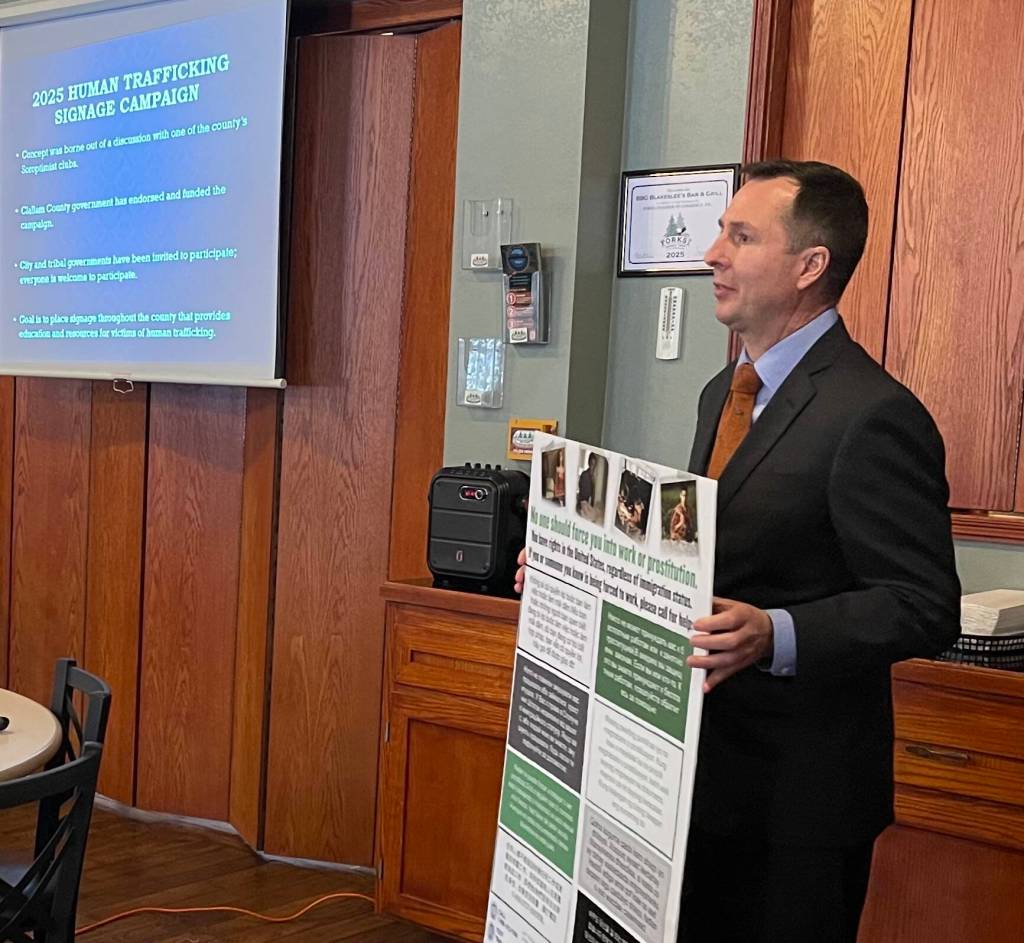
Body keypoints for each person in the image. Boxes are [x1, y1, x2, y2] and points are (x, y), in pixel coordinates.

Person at [514, 160, 960, 943]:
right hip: (692, 780)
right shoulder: (722, 392)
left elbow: (923, 604)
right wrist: (571, 573)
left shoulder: (874, 414)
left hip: (799, 806)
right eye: (720, 231)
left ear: (809, 265)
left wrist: (775, 632)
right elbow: (703, 561)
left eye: (742, 236)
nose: (712, 253)